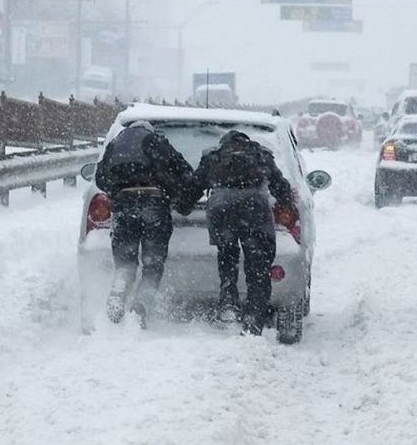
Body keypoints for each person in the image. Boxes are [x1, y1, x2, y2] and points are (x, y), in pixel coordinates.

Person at [95, 120, 196, 327]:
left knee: (125, 261)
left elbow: (100, 179)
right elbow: (184, 171)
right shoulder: (157, 142)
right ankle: (141, 307)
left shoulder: (115, 145)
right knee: (152, 264)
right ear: (149, 131)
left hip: (123, 205)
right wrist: (178, 194)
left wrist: (118, 190)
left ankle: (118, 291)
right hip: (154, 204)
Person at [193, 131, 295, 335]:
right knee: (257, 266)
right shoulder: (261, 155)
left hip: (221, 209)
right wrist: (287, 201)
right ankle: (253, 317)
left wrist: (182, 203)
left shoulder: (213, 156)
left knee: (227, 257)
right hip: (255, 210)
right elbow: (280, 187)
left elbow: (194, 187)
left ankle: (229, 304)